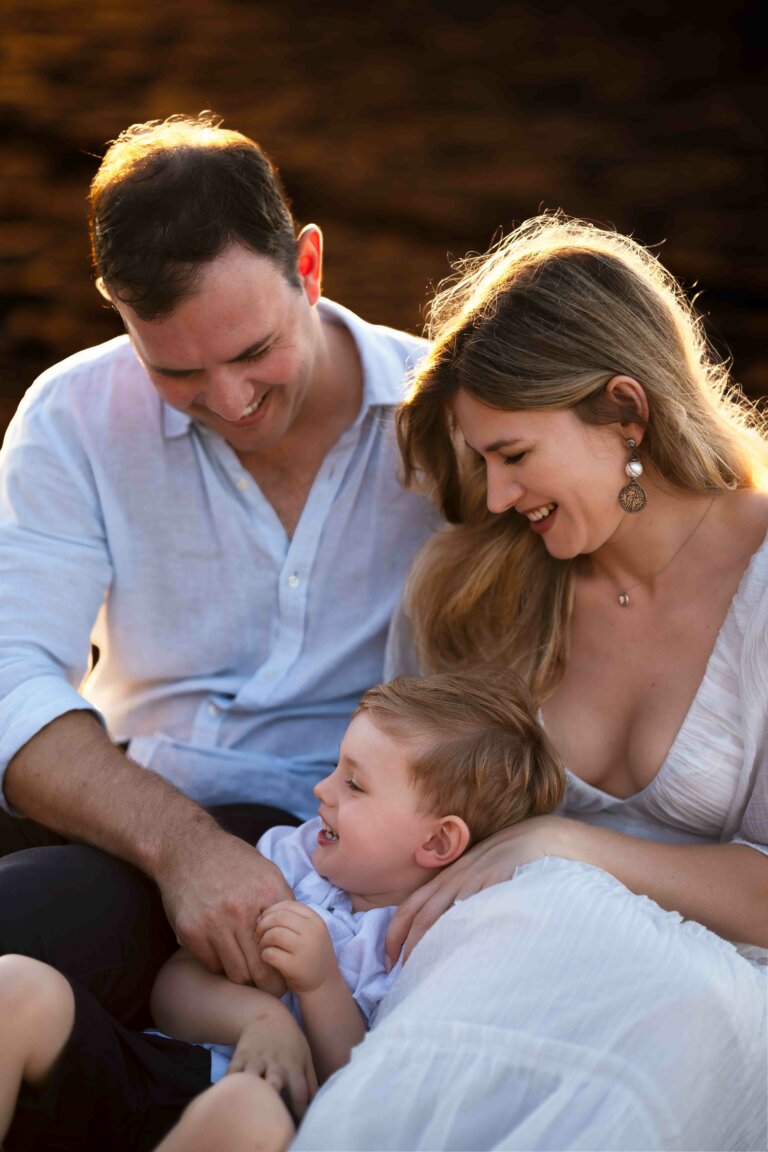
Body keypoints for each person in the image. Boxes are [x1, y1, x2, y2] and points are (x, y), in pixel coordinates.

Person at [292, 214, 768, 1151]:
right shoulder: (473, 590)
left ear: (626, 411)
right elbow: (398, 818)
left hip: (713, 996)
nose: (499, 497)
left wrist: (562, 845)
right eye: (483, 463)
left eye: (514, 456)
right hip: (501, 968)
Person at [0, 113, 439, 1021]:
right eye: (178, 373)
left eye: (253, 352)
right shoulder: (72, 415)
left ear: (309, 266)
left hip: (345, 843)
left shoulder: (445, 420)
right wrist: (181, 848)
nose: (232, 401)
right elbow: (12, 672)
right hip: (127, 806)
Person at [0, 669, 564, 1151]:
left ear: (438, 842)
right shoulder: (287, 864)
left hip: (262, 1119)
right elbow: (170, 989)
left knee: (246, 1110)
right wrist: (258, 1019)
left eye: (354, 784)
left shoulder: (422, 945)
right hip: (155, 1068)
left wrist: (319, 986)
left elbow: (363, 1091)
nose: (322, 789)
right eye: (336, 768)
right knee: (18, 986)